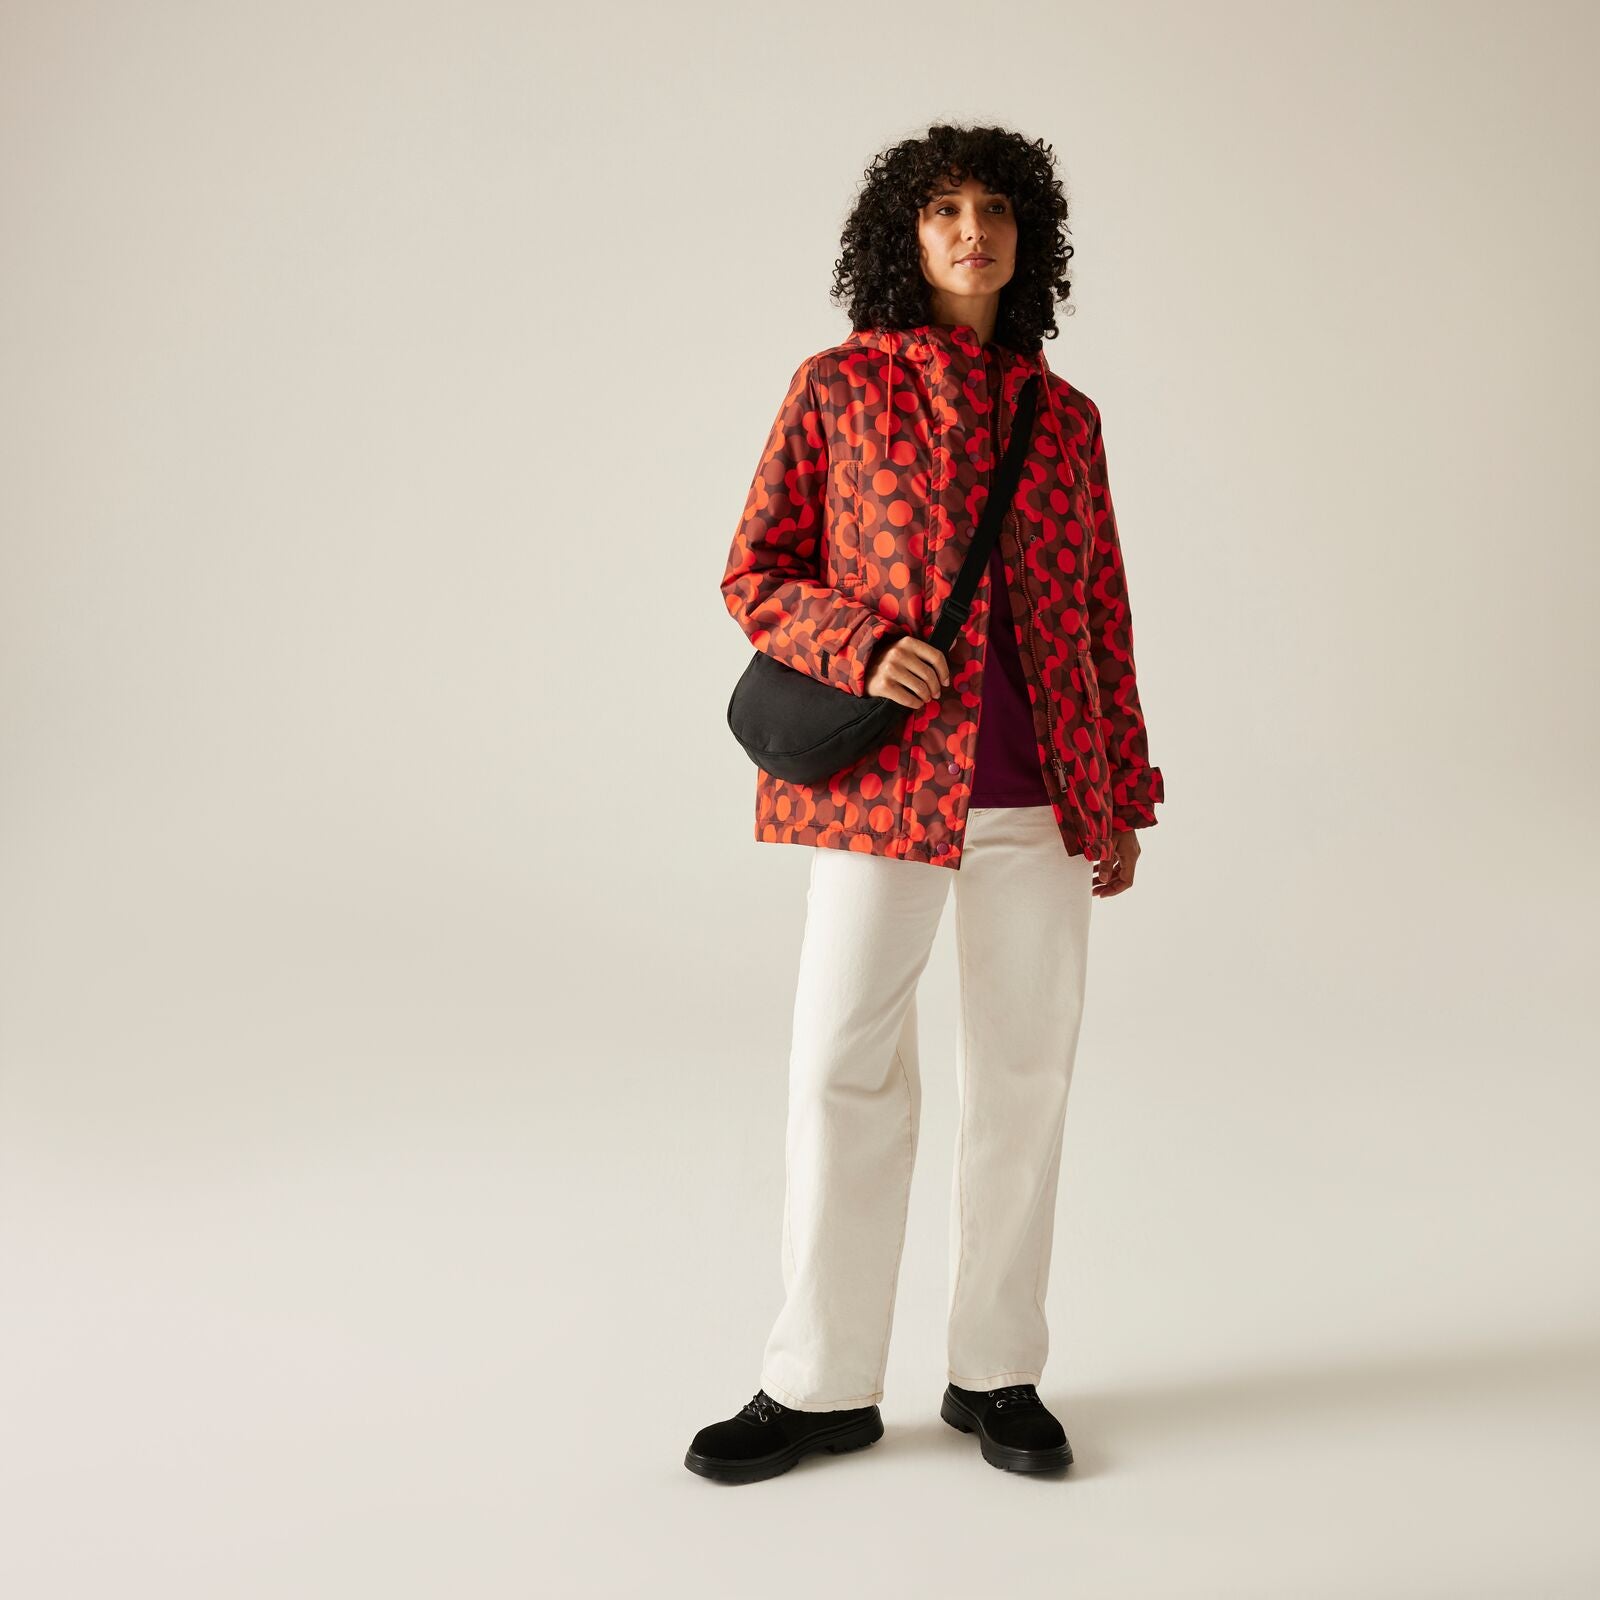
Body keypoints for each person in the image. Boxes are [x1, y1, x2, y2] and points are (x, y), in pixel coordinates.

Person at [688, 123, 1165, 1484]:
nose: (972, 230)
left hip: (1041, 793)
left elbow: (1102, 614)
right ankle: (819, 1384)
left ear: (1029, 238)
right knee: (840, 1066)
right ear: (903, 236)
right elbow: (754, 570)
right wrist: (858, 646)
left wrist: (1120, 788)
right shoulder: (838, 388)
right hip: (885, 790)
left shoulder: (1066, 421)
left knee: (1025, 1076)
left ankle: (996, 1371)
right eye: (944, 208)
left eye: (995, 209)